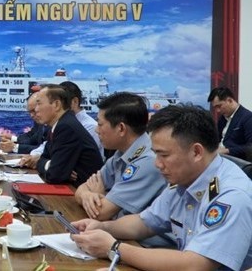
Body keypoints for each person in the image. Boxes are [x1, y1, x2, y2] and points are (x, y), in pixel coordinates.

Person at [71, 104, 252, 271]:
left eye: (163, 155)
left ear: (196, 152)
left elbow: (195, 265)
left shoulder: (230, 196)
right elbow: (144, 223)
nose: (157, 164)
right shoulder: (186, 180)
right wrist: (103, 227)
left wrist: (114, 248)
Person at [74, 92, 173, 247]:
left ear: (121, 128)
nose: (96, 131)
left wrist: (99, 196)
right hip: (124, 236)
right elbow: (81, 189)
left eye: (100, 124)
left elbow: (101, 212)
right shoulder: (122, 153)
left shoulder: (148, 161)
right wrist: (89, 194)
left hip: (148, 248)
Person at [32, 84, 103, 187]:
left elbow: (55, 175)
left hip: (83, 192)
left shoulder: (66, 127)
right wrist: (49, 164)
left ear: (56, 105)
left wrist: (49, 165)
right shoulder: (60, 124)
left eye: (39, 104)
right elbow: (44, 159)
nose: (36, 109)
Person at [59, 81, 104, 158]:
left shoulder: (91, 126)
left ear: (75, 102)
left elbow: (67, 155)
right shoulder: (60, 124)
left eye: (59, 103)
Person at [207, 86, 252, 160]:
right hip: (220, 157)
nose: (218, 110)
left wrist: (227, 151)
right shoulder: (223, 118)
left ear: (230, 100)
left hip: (235, 160)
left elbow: (250, 147)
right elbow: (217, 138)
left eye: (219, 106)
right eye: (215, 107)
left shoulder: (248, 117)